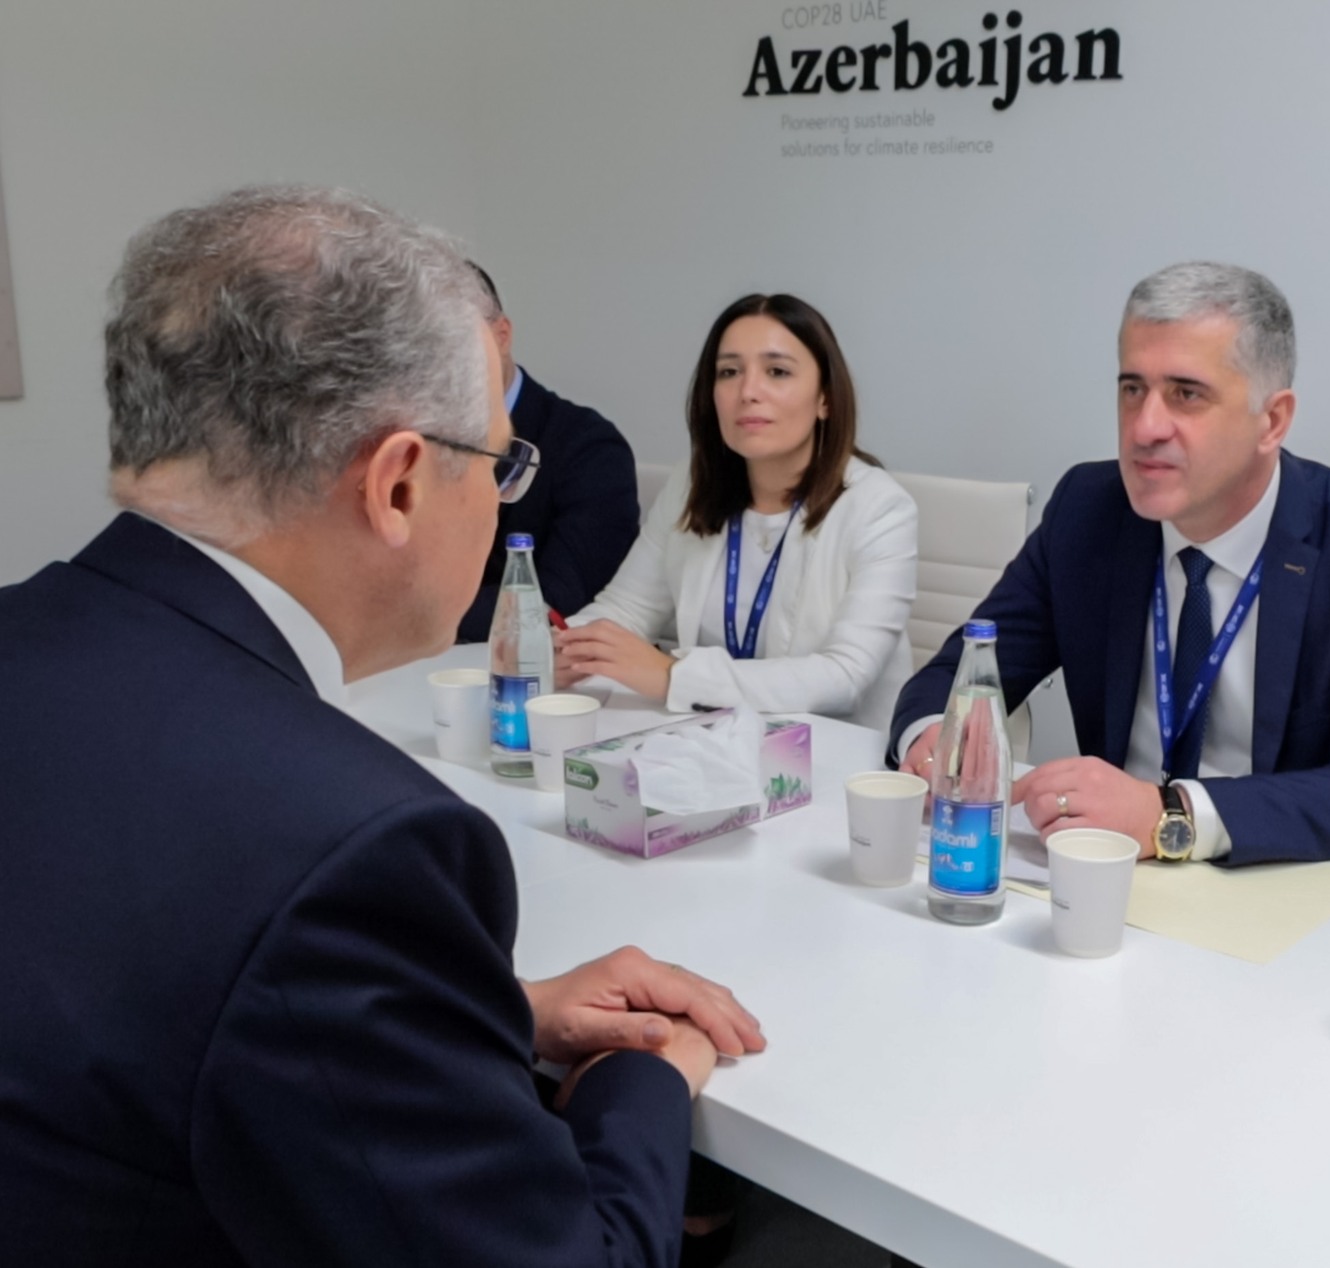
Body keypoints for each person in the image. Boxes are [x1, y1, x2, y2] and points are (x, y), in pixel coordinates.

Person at [0, 185, 765, 1265]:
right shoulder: (349, 845)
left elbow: (144, 987)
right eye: (499, 464)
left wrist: (485, 1010)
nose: (501, 496)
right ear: (400, 484)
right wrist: (643, 1073)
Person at [892, 261, 1330, 865]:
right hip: (1105, 875)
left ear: (1272, 420)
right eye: (1133, 389)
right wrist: (934, 737)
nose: (1145, 427)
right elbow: (966, 671)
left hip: (1272, 883)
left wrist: (1171, 813)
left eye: (1186, 394)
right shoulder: (1089, 511)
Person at [554, 293, 917, 733]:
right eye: (729, 372)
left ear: (825, 398)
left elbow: (844, 677)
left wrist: (673, 676)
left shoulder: (880, 508)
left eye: (777, 372)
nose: (748, 392)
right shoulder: (692, 484)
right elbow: (626, 609)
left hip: (835, 755)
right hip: (712, 743)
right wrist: (561, 647)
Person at [455, 262, 641, 642]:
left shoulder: (589, 447)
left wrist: (397, 610)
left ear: (501, 336)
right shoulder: (403, 440)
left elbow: (555, 604)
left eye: (452, 346)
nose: (434, 369)